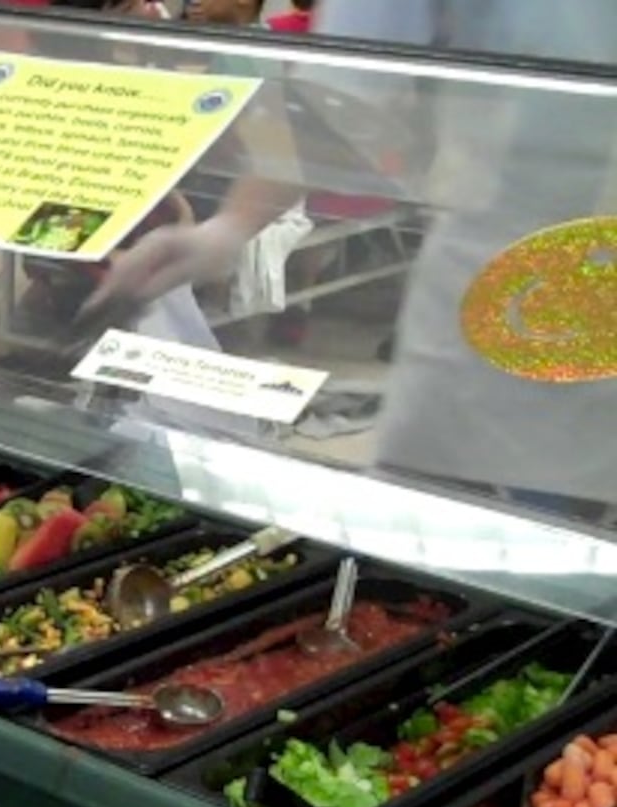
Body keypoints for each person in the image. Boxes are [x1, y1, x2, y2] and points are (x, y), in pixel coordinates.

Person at [78, 0, 617, 517]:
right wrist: (230, 227)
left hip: (524, 271)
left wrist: (232, 226)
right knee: (470, 538)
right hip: (496, 278)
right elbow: (342, 102)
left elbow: (341, 103)